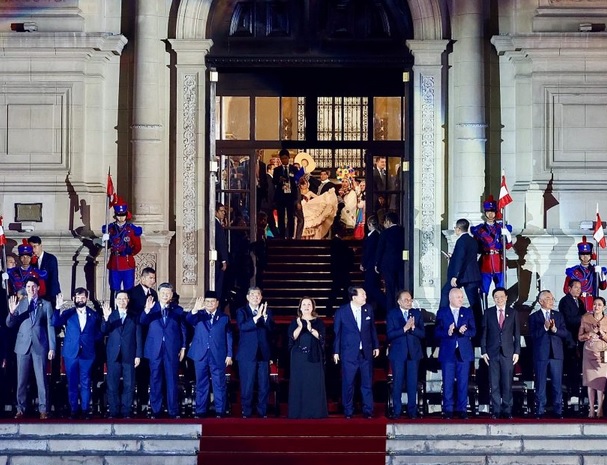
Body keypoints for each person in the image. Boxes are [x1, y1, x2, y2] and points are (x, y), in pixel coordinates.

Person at [6, 277, 55, 419]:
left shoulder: (45, 304)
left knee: (41, 379)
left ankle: (43, 409)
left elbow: (50, 326)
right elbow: (9, 324)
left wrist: (52, 347)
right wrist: (12, 313)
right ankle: (20, 409)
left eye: (33, 287)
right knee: (21, 380)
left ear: (38, 288)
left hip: (40, 346)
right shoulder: (20, 304)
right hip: (22, 346)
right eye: (28, 287)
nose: (31, 289)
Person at [52, 288, 101, 419]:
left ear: (87, 298)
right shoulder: (68, 313)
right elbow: (55, 322)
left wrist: (89, 341)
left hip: (87, 354)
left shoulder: (94, 315)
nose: (80, 300)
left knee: (86, 382)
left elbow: (99, 333)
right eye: (78, 297)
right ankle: (73, 409)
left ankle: (85, 410)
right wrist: (57, 308)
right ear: (74, 299)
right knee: (72, 383)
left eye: (83, 297)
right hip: (71, 354)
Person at [140, 282, 187, 419]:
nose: (165, 295)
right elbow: (142, 321)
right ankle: (156, 410)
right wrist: (147, 310)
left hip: (172, 350)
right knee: (155, 380)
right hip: (155, 350)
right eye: (163, 293)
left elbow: (183, 329)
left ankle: (173, 411)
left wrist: (183, 347)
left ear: (171, 295)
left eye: (168, 293)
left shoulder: (177, 310)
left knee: (172, 380)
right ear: (158, 294)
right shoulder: (152, 308)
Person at [333, 286, 380, 419]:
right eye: (362, 295)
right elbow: (338, 333)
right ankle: (348, 410)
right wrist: (336, 351)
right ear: (354, 297)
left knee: (367, 383)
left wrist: (376, 346)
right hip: (349, 353)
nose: (365, 297)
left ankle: (368, 410)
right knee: (348, 383)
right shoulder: (342, 312)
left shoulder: (368, 309)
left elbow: (372, 329)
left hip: (366, 353)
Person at [185, 290, 233, 418]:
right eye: (207, 302)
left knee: (219, 383)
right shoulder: (198, 315)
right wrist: (195, 309)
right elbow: (189, 320)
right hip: (200, 354)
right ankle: (201, 410)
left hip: (218, 354)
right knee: (201, 383)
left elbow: (228, 336)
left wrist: (229, 354)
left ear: (217, 303)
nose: (210, 304)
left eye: (212, 302)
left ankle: (220, 410)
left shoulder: (223, 317)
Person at [480, 286, 520, 419]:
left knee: (507, 383)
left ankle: (507, 410)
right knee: (494, 383)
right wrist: (484, 350)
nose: (499, 299)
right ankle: (496, 410)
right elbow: (484, 333)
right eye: (496, 297)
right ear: (493, 299)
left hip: (508, 353)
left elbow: (517, 334)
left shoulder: (513, 313)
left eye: (502, 297)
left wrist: (517, 351)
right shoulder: (488, 312)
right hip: (492, 353)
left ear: (506, 298)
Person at [435, 288, 476, 419]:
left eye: (462, 297)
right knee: (448, 382)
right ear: (450, 298)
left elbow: (473, 331)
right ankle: (448, 409)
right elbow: (436, 332)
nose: (461, 299)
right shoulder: (442, 312)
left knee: (463, 382)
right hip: (448, 352)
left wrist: (465, 332)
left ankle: (462, 409)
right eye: (458, 297)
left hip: (463, 352)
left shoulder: (467, 311)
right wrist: (447, 332)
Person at [101, 291, 142, 419]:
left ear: (128, 300)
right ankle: (113, 411)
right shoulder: (111, 315)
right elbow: (104, 330)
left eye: (125, 299)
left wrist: (138, 355)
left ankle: (126, 411)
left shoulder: (134, 316)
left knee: (129, 385)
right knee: (112, 384)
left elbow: (138, 337)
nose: (122, 301)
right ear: (116, 300)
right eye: (120, 298)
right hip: (113, 354)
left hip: (129, 354)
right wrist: (106, 318)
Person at [235, 287, 274, 418]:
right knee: (247, 384)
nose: (255, 297)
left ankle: (262, 411)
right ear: (247, 297)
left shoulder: (267, 311)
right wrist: (256, 317)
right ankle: (246, 411)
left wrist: (265, 317)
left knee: (264, 385)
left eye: (258, 295)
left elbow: (271, 330)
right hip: (247, 353)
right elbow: (242, 327)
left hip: (263, 353)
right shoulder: (241, 311)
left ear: (261, 298)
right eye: (252, 295)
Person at [386, 290, 425, 419]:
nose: (409, 302)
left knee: (412, 383)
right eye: (406, 300)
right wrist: (404, 329)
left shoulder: (416, 314)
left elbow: (422, 334)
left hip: (414, 354)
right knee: (397, 382)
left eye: (410, 300)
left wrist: (413, 328)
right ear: (399, 301)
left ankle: (412, 411)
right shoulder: (392, 314)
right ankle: (397, 410)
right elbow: (390, 335)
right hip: (398, 354)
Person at [529, 290, 568, 419]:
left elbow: (565, 333)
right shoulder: (534, 317)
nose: (551, 301)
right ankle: (540, 410)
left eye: (552, 298)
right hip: (541, 354)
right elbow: (533, 336)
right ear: (541, 301)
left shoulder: (558, 315)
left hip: (556, 354)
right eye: (548, 298)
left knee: (557, 383)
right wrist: (545, 328)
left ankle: (558, 410)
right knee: (540, 383)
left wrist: (554, 329)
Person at [287, 297, 328, 419]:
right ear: (300, 307)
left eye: (309, 304)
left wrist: (310, 328)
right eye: (304, 304)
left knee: (314, 384)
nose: (306, 306)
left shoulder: (318, 322)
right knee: (299, 384)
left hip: (314, 357)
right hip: (298, 358)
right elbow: (291, 338)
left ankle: (315, 413)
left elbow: (322, 338)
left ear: (313, 307)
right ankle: (297, 413)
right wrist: (300, 327)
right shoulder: (295, 322)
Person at [439, 218, 482, 324]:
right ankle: (480, 324)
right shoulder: (473, 240)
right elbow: (466, 257)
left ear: (458, 229)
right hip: (472, 276)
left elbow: (461, 258)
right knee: (474, 302)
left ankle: (441, 319)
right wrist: (452, 257)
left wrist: (455, 275)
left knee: (445, 293)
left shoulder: (461, 241)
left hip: (461, 276)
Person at [470, 197, 513, 300]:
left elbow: (508, 246)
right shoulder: (479, 230)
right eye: (488, 212)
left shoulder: (501, 228)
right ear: (485, 213)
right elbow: (475, 247)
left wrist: (508, 236)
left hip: (499, 263)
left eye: (492, 212)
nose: (490, 214)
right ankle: (483, 313)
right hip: (486, 264)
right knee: (483, 291)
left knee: (501, 291)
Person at [128, 267, 157, 415]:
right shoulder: (132, 293)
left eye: (154, 278)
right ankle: (138, 402)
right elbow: (132, 316)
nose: (153, 281)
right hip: (137, 336)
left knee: (149, 371)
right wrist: (145, 311)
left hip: (151, 338)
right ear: (143, 278)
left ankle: (147, 402)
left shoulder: (154, 294)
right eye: (150, 278)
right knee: (138, 372)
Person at [102, 200, 143, 293]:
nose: (121, 218)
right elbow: (107, 246)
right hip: (114, 263)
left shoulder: (131, 229)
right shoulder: (111, 229)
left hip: (127, 262)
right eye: (119, 215)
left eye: (123, 215)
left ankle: (129, 308)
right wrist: (104, 241)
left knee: (129, 290)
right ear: (115, 215)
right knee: (114, 289)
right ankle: (113, 307)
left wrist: (130, 252)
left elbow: (138, 246)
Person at [578, 296, 607, 418]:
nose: (596, 307)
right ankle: (591, 408)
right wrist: (589, 334)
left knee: (601, 382)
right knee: (590, 383)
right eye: (595, 304)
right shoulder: (585, 318)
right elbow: (580, 337)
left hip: (602, 353)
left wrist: (601, 333)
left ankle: (600, 409)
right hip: (589, 352)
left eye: (599, 304)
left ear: (604, 307)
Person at [564, 236, 607, 311]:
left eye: (587, 254)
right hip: (578, 302)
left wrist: (601, 274)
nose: (585, 257)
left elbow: (603, 287)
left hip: (593, 302)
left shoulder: (595, 270)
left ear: (591, 256)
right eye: (582, 254)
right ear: (579, 256)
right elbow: (566, 290)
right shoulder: (573, 271)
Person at [558, 279, 585, 395]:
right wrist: (584, 319)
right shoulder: (565, 301)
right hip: (569, 339)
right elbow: (567, 320)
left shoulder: (580, 302)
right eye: (576, 288)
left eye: (580, 288)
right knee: (571, 368)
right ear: (569, 289)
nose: (578, 290)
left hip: (579, 338)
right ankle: (570, 395)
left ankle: (578, 394)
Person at [375, 211, 405, 316]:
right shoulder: (403, 231)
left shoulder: (385, 233)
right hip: (402, 264)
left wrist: (376, 264)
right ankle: (402, 310)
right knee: (401, 287)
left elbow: (380, 250)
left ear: (388, 221)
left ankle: (391, 313)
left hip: (387, 265)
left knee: (390, 289)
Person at [28, 235, 61, 307]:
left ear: (40, 246)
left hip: (50, 294)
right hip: (37, 294)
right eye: (31, 247)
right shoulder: (31, 260)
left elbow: (53, 278)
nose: (33, 250)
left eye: (35, 246)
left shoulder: (50, 258)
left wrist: (52, 296)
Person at [272, 149, 299, 239]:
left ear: (288, 158)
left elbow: (297, 181)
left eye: (285, 158)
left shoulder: (294, 169)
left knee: (291, 216)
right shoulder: (277, 170)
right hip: (281, 196)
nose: (284, 160)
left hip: (290, 196)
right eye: (282, 158)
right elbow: (274, 181)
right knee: (281, 216)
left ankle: (291, 235)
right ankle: (282, 235)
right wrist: (279, 180)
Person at [360, 215, 384, 313]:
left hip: (371, 266)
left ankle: (381, 306)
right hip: (374, 266)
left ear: (369, 224)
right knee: (372, 288)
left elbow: (368, 252)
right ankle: (372, 309)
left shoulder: (373, 237)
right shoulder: (378, 235)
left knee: (372, 288)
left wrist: (363, 264)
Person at [214, 203, 229, 305]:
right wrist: (224, 260)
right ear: (215, 212)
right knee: (218, 285)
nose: (224, 213)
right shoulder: (215, 224)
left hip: (218, 259)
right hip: (218, 260)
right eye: (222, 211)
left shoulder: (218, 223)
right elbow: (220, 243)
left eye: (224, 211)